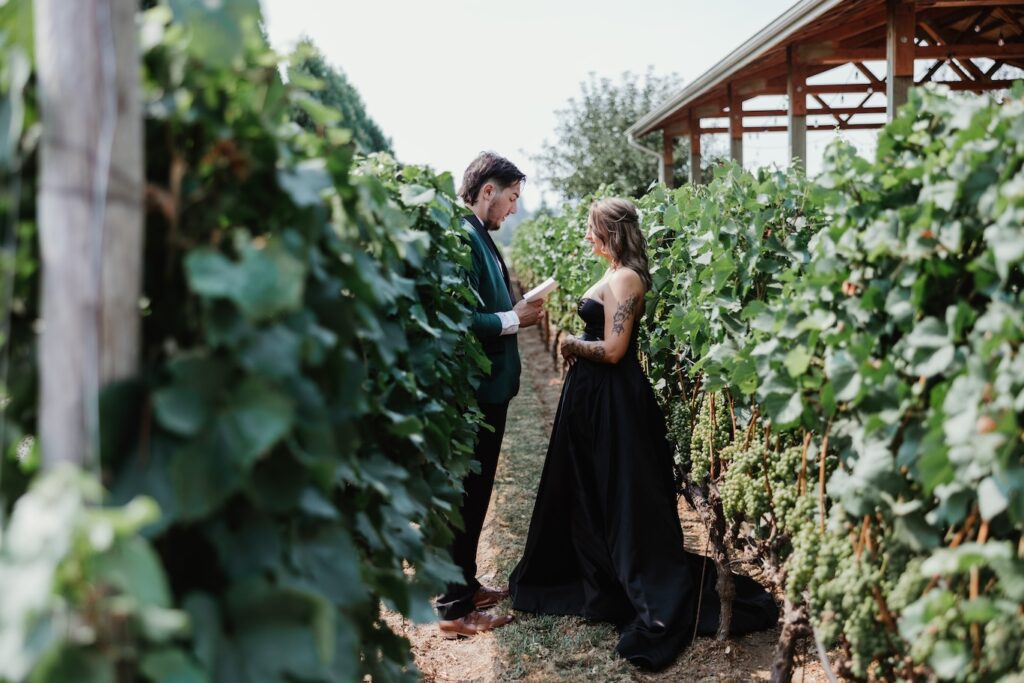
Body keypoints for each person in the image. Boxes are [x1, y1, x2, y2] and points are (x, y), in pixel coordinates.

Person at [508, 198, 778, 670]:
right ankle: (597, 573)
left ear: (611, 232)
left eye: (592, 230)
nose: (587, 237)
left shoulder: (627, 278)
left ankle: (642, 588)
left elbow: (613, 351)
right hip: (592, 399)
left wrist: (572, 343)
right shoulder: (612, 273)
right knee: (591, 492)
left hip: (614, 401)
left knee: (623, 494)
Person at [436, 152, 544, 638]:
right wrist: (512, 319)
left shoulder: (478, 235)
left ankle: (467, 584)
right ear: (487, 192)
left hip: (491, 391)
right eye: (512, 198)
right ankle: (454, 609)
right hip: (474, 396)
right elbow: (456, 322)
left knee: (476, 498)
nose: (513, 210)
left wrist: (512, 310)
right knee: (464, 498)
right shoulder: (462, 235)